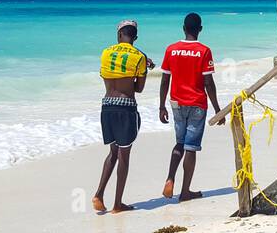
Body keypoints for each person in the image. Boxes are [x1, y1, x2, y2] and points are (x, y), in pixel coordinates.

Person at [159, 13, 223, 201]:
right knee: (191, 147)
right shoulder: (204, 51)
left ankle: (170, 178)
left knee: (179, 143)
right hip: (196, 104)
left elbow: (164, 80)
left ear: (183, 28)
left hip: (176, 103)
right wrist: (218, 110)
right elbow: (208, 83)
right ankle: (185, 191)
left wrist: (161, 106)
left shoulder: (171, 49)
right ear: (200, 29)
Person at [93, 20, 152, 214]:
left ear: (119, 35)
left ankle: (99, 194)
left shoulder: (105, 53)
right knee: (124, 156)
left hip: (106, 106)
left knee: (112, 153)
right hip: (126, 108)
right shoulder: (139, 58)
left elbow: (106, 79)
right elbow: (139, 89)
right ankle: (118, 204)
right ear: (135, 37)